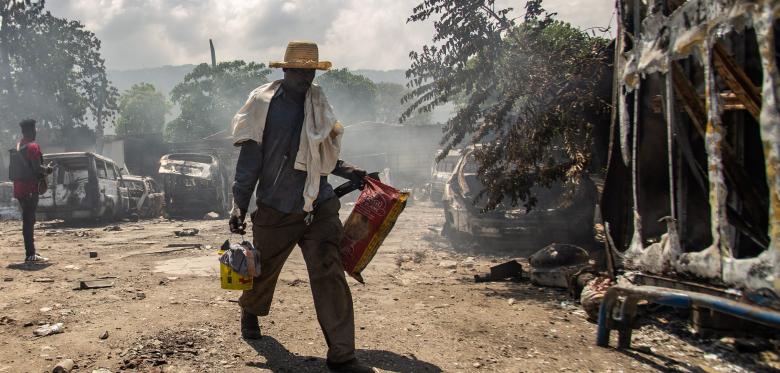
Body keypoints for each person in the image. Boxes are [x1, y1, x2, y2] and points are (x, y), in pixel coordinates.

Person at [228, 41, 375, 373]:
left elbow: (322, 154)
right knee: (261, 272)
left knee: (329, 273)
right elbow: (249, 161)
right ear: (286, 70)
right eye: (300, 71)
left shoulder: (318, 104)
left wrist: (348, 169)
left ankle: (342, 355)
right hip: (276, 207)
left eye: (311, 71)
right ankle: (250, 310)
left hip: (318, 205)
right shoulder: (262, 106)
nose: (306, 77)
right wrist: (239, 205)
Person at [11, 119, 48, 263]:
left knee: (28, 220)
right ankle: (30, 254)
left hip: (19, 189)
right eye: (35, 129)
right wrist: (48, 170)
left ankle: (31, 252)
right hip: (30, 189)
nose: (36, 132)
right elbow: (38, 168)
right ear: (32, 131)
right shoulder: (33, 146)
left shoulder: (19, 146)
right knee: (29, 220)